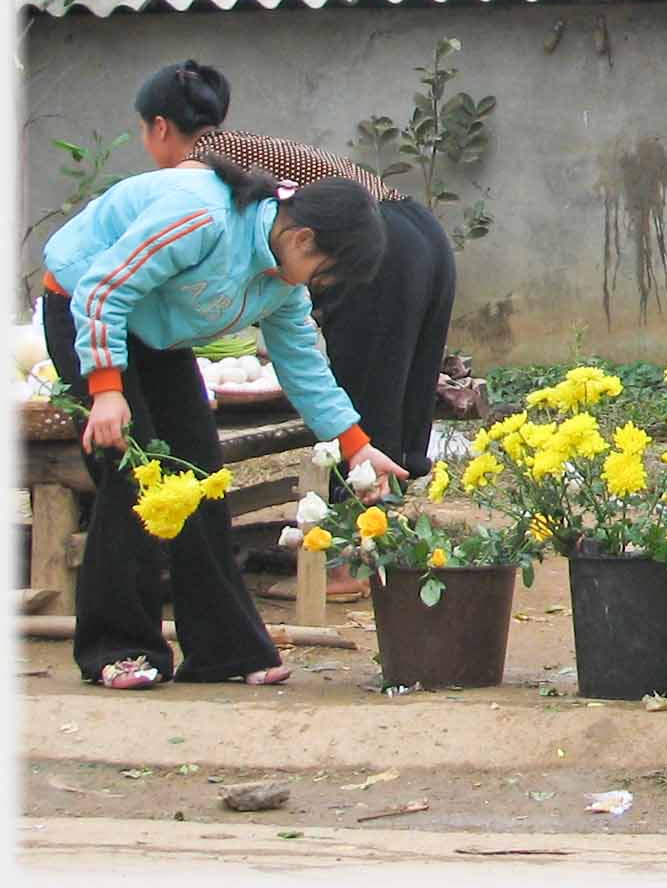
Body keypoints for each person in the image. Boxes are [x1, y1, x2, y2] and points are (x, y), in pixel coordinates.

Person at [42, 155, 408, 689]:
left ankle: (224, 651)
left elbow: (303, 364)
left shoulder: (282, 280)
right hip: (85, 307)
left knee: (200, 475)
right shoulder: (202, 218)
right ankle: (117, 649)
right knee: (134, 478)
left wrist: (356, 446)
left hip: (154, 331)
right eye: (327, 272)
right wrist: (105, 390)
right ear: (303, 238)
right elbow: (103, 291)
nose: (321, 285)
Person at [133, 61, 457, 599]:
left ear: (160, 127)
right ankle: (377, 544)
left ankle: (342, 567)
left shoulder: (199, 168)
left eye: (145, 132)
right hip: (418, 230)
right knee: (397, 394)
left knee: (362, 391)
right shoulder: (247, 144)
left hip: (372, 245)